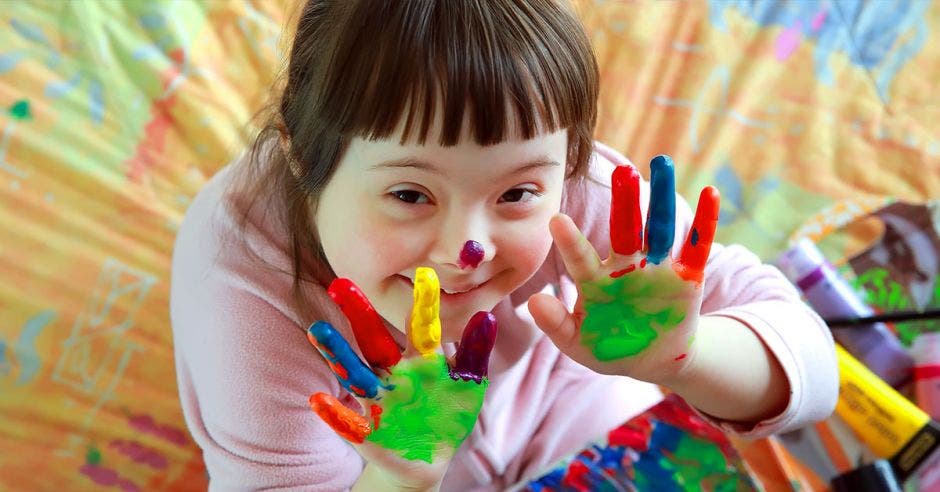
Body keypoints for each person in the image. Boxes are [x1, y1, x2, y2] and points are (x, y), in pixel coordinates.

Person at [169, 0, 839, 490]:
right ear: (300, 155)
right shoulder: (243, 286)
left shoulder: (583, 197)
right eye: (410, 195)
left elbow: (814, 371)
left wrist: (686, 358)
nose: (468, 249)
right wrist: (400, 475)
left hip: (562, 404)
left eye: (516, 194)